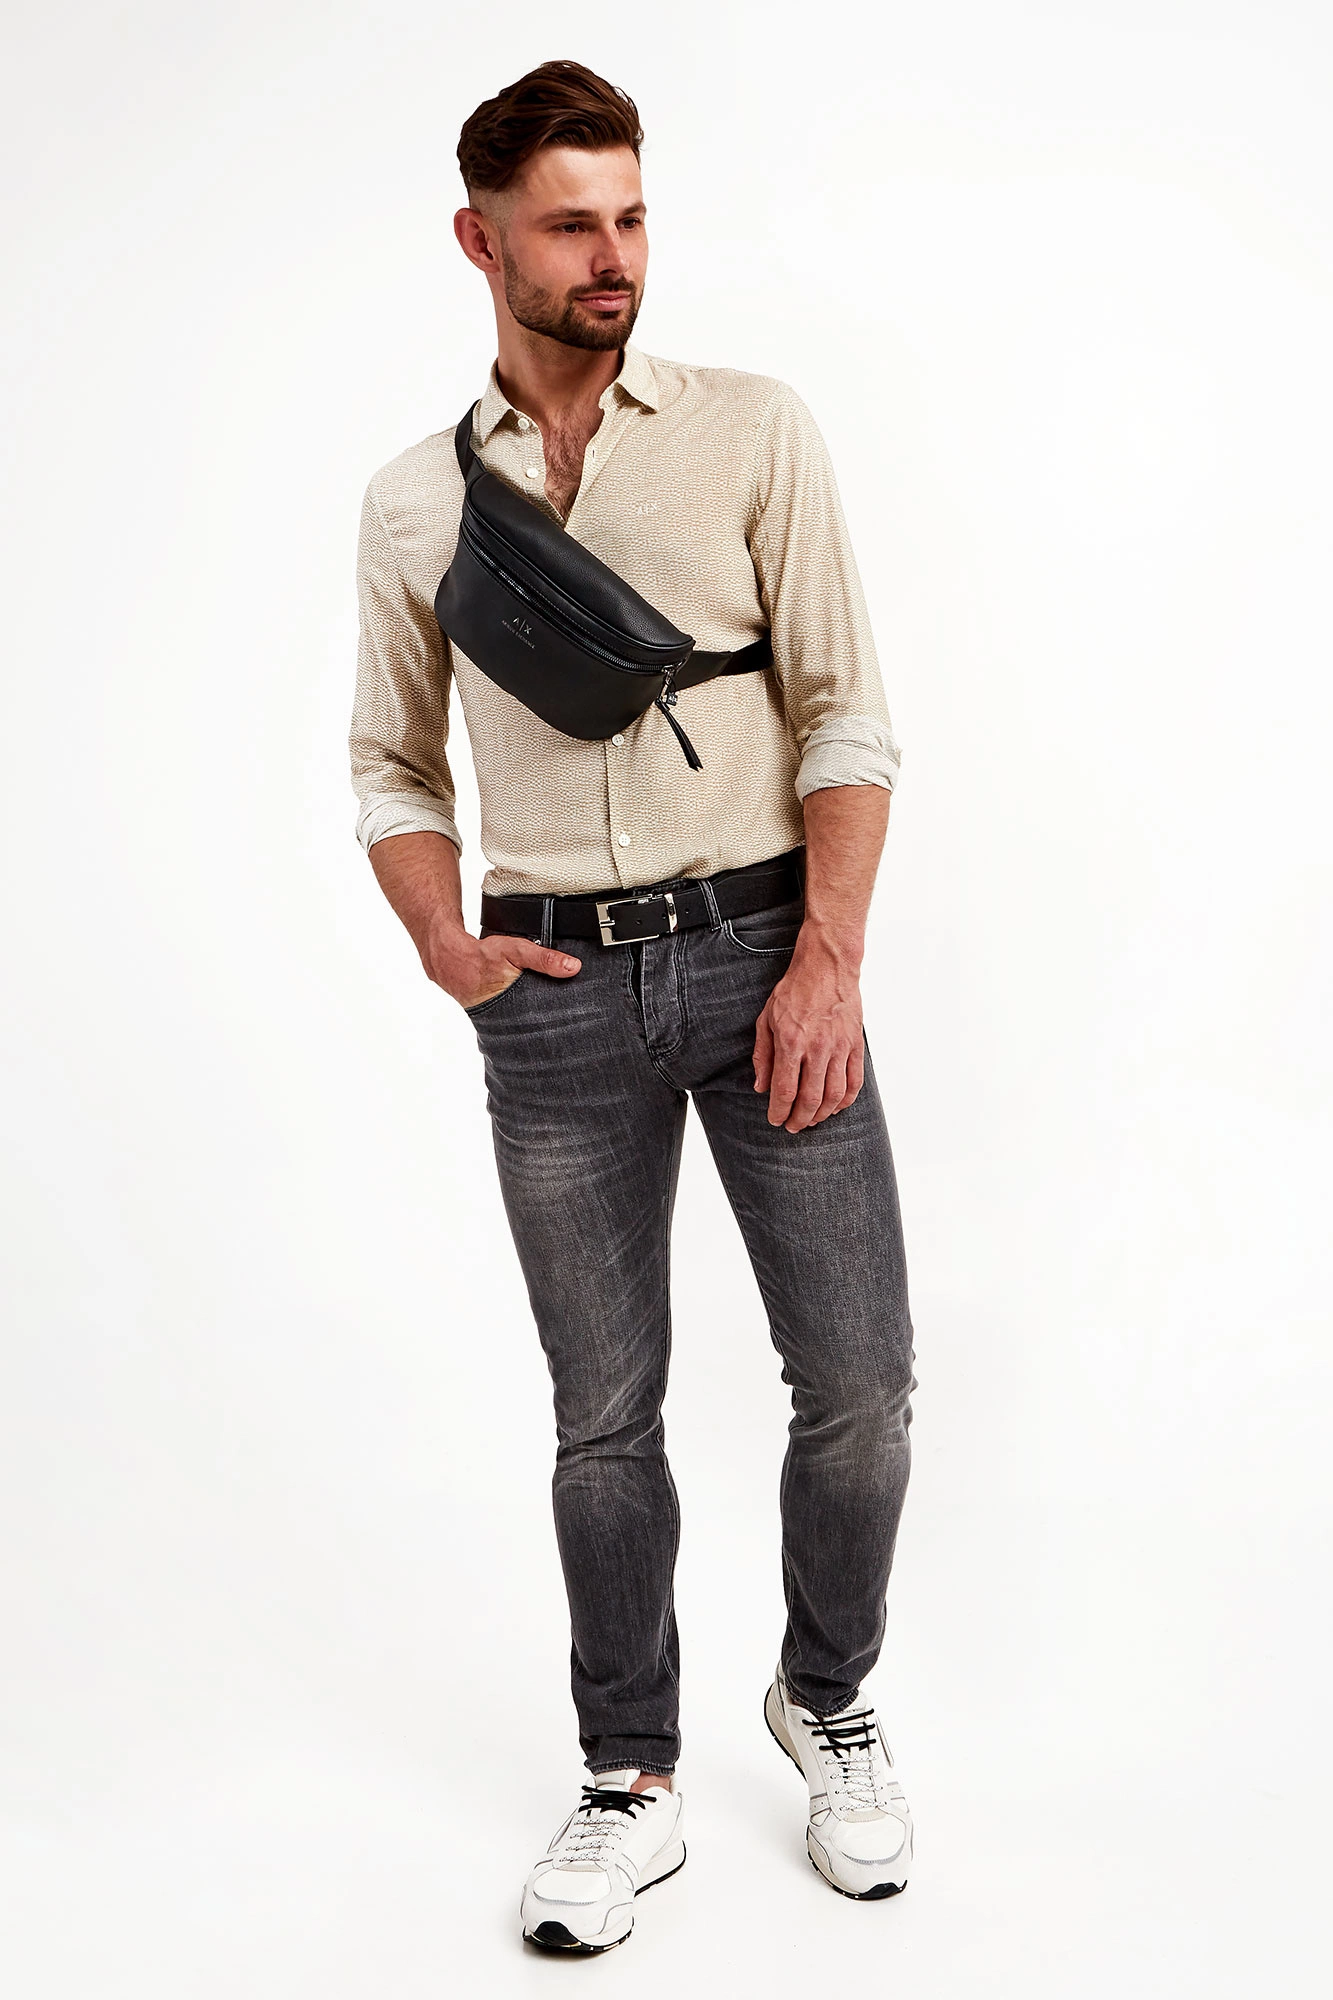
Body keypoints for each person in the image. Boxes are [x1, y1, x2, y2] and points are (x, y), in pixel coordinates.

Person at [349, 59, 917, 1954]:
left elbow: (845, 711)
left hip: (766, 958)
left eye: (634, 217)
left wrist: (828, 960)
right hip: (555, 998)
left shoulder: (753, 429)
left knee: (860, 1386)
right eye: (573, 224)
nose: (615, 256)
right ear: (481, 240)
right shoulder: (417, 502)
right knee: (604, 1418)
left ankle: (826, 1697)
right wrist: (444, 943)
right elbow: (390, 764)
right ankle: (631, 1779)